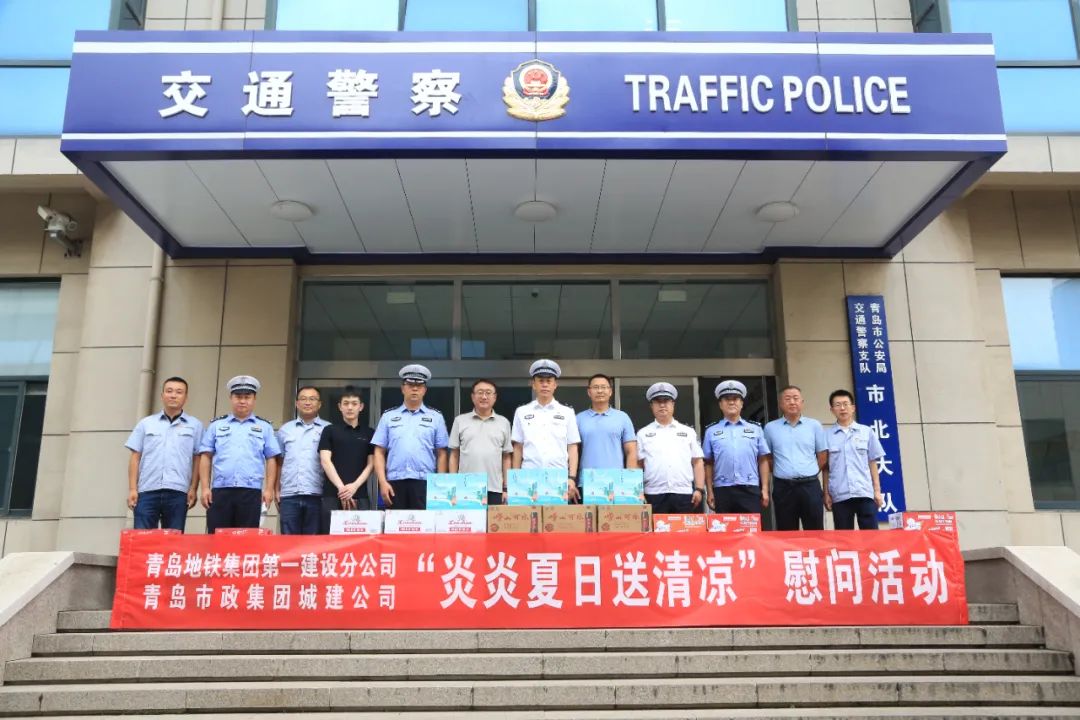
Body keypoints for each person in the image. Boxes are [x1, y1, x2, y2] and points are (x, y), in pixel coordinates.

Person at [197, 375, 281, 533]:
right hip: (220, 490)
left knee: (247, 539)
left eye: (247, 397)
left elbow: (271, 458)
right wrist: (205, 488)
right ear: (231, 398)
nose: (242, 401)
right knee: (217, 538)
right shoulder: (216, 425)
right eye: (238, 396)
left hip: (251, 491)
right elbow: (206, 456)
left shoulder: (265, 427)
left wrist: (269, 489)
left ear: (254, 399)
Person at [124, 377, 204, 531]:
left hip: (178, 491)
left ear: (186, 397)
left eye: (179, 392)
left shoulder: (195, 426)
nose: (173, 395)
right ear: (162, 395)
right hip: (146, 491)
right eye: (169, 391)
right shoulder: (146, 424)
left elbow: (197, 460)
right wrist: (133, 489)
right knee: (143, 539)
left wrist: (193, 488)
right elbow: (135, 457)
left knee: (173, 540)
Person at [372, 364, 449, 510]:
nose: (415, 389)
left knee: (424, 524)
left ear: (424, 390)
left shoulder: (436, 417)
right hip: (394, 482)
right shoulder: (388, 416)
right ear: (403, 388)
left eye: (419, 385)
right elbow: (379, 452)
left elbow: (442, 453)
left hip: (425, 482)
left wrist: (438, 483)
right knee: (396, 524)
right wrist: (382, 482)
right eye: (410, 385)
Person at [510, 359, 581, 500]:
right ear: (533, 384)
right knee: (529, 514)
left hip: (558, 477)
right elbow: (518, 448)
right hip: (528, 477)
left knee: (557, 515)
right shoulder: (522, 412)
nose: (545, 385)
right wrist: (515, 478)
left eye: (549, 381)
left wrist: (572, 478)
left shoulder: (567, 412)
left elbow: (572, 447)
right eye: (541, 381)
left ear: (555, 385)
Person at [702, 379, 771, 516]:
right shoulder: (711, 431)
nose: (731, 402)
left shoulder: (755, 429)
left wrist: (764, 489)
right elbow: (708, 463)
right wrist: (709, 491)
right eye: (727, 399)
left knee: (751, 528)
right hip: (722, 489)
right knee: (724, 528)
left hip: (749, 488)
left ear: (742, 403)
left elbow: (763, 460)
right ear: (720, 404)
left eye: (735, 399)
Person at [763, 385, 828, 531]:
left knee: (815, 531)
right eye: (787, 399)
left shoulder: (814, 425)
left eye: (795, 398)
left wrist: (809, 470)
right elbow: (768, 457)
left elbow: (823, 456)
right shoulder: (770, 428)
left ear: (802, 402)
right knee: (786, 531)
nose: (792, 402)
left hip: (810, 485)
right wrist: (784, 470)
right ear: (781, 404)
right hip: (783, 487)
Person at [636, 383, 705, 514]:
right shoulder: (643, 434)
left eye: (666, 401)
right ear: (651, 406)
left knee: (684, 527)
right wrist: (639, 492)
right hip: (653, 494)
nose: (662, 405)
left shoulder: (688, 432)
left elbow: (697, 462)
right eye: (658, 402)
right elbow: (638, 465)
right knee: (654, 528)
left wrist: (699, 489)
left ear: (673, 404)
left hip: (684, 494)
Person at [823, 389, 885, 530]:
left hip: (864, 492)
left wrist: (877, 491)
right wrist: (826, 493)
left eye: (846, 404)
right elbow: (826, 468)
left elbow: (872, 462)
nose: (842, 408)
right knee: (844, 538)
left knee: (871, 536)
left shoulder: (866, 432)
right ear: (832, 410)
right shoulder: (826, 436)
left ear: (853, 408)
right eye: (838, 405)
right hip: (839, 495)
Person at [318, 385, 375, 532]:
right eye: (346, 403)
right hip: (332, 494)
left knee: (359, 539)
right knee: (329, 538)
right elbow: (325, 460)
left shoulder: (369, 433)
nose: (350, 407)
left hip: (360, 494)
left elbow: (371, 464)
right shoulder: (329, 430)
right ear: (340, 407)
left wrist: (354, 486)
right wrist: (342, 489)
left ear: (361, 407)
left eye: (354, 403)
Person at [274, 386, 329, 535]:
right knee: (289, 541)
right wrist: (276, 489)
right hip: (289, 494)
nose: (307, 402)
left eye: (312, 399)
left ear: (319, 404)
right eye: (303, 399)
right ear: (297, 403)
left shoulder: (328, 429)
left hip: (317, 494)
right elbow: (279, 462)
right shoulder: (285, 429)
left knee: (314, 542)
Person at [449, 379, 513, 506]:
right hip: (466, 487)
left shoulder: (504, 422)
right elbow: (454, 455)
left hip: (495, 488)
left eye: (488, 393)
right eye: (480, 392)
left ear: (495, 397)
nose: (484, 396)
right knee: (467, 519)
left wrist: (506, 488)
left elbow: (506, 457)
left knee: (493, 519)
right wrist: (453, 484)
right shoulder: (460, 421)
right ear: (473, 397)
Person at [576, 373, 638, 490]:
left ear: (610, 391)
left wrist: (630, 481)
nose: (600, 391)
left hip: (616, 482)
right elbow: (572, 452)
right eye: (596, 387)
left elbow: (631, 451)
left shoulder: (623, 417)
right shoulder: (578, 419)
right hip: (587, 482)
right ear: (589, 392)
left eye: (604, 387)